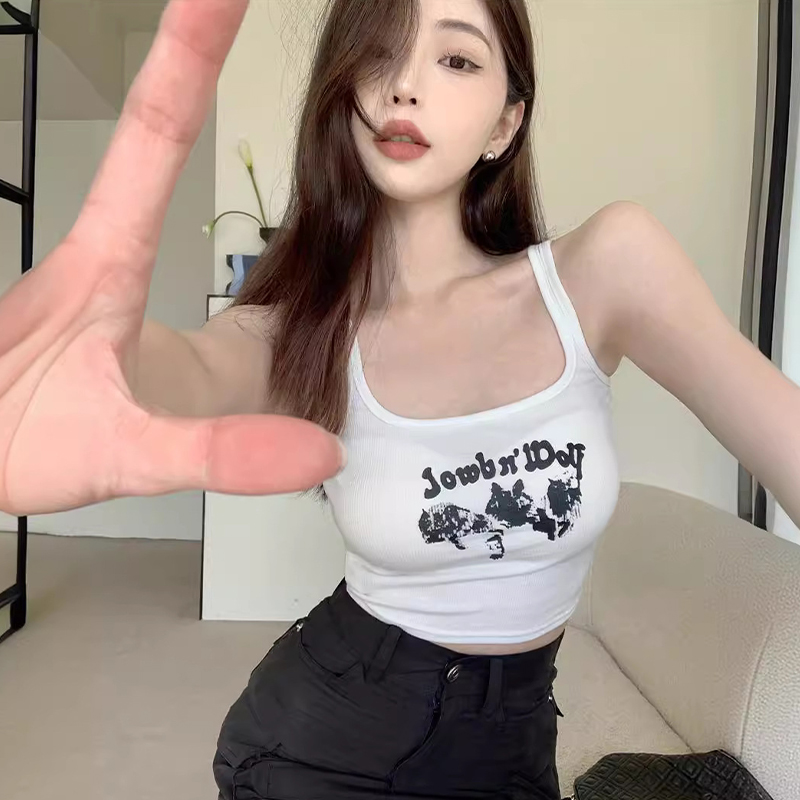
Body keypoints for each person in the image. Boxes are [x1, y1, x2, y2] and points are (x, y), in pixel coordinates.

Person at [0, 0, 622, 797]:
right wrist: (104, 369)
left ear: (507, 122)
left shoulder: (600, 272)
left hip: (518, 744)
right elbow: (196, 366)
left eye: (457, 60)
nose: (404, 85)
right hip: (325, 740)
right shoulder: (305, 325)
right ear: (341, 94)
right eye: (378, 54)